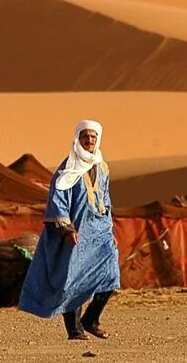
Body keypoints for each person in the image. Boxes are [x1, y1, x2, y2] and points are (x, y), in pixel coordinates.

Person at [18, 119, 120, 340]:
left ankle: (91, 319)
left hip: (100, 231)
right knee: (74, 279)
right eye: (85, 136)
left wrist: (110, 227)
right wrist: (66, 229)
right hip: (77, 231)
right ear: (78, 138)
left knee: (110, 274)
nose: (89, 140)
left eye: (93, 137)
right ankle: (74, 329)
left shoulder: (102, 166)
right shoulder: (68, 168)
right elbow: (58, 199)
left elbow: (105, 198)